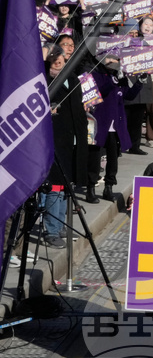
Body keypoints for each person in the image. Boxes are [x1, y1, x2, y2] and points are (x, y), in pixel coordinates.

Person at [43, 52, 88, 248]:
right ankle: (51, 230)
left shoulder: (72, 79)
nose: (58, 66)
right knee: (54, 186)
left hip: (72, 138)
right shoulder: (44, 81)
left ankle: (60, 224)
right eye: (55, 63)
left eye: (61, 63)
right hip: (53, 139)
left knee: (64, 186)